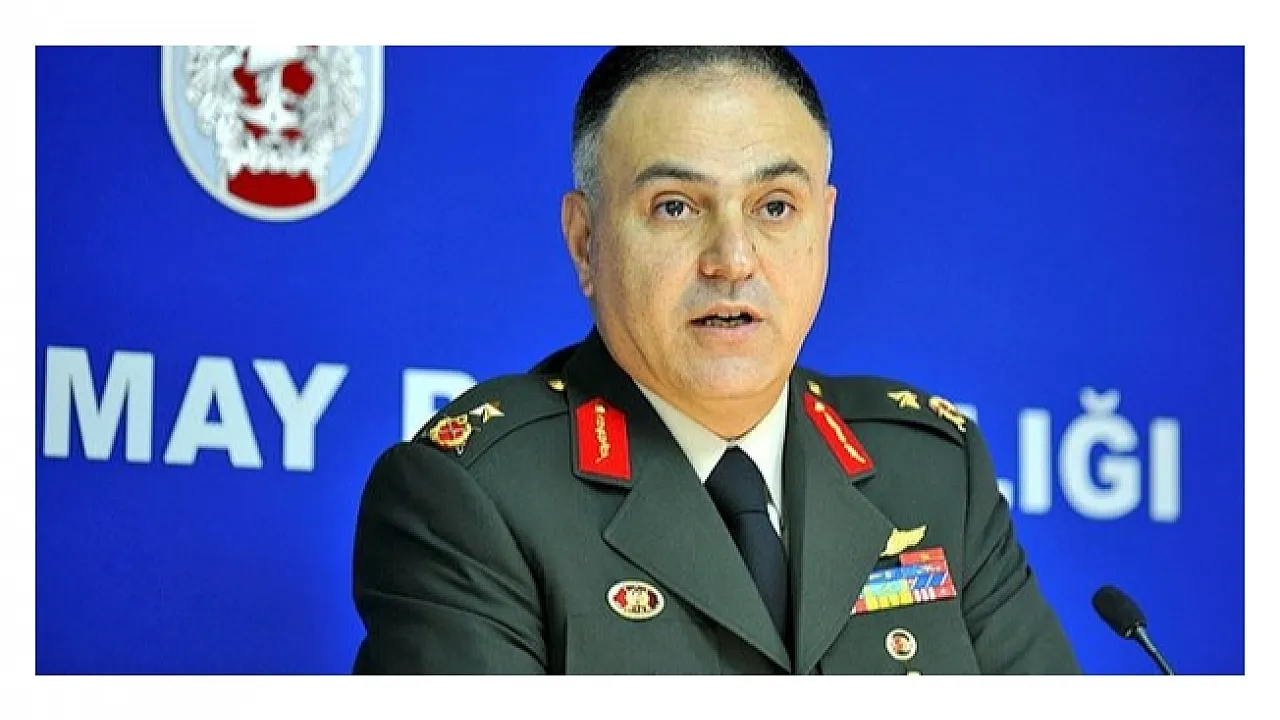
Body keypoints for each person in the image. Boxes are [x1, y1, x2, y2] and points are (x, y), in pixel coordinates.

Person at [350, 46, 1081, 675]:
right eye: (675, 206)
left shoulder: (933, 473)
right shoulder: (476, 498)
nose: (733, 260)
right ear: (585, 242)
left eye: (774, 207)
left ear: (825, 227)